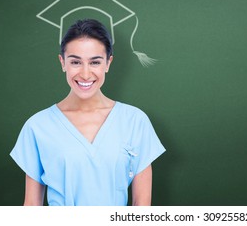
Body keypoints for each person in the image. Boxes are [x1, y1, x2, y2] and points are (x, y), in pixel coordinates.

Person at [10, 19, 165, 206]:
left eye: (95, 62)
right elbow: (31, 208)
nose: (85, 74)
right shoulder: (37, 126)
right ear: (62, 63)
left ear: (108, 63)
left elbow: (142, 206)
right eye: (75, 62)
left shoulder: (135, 121)